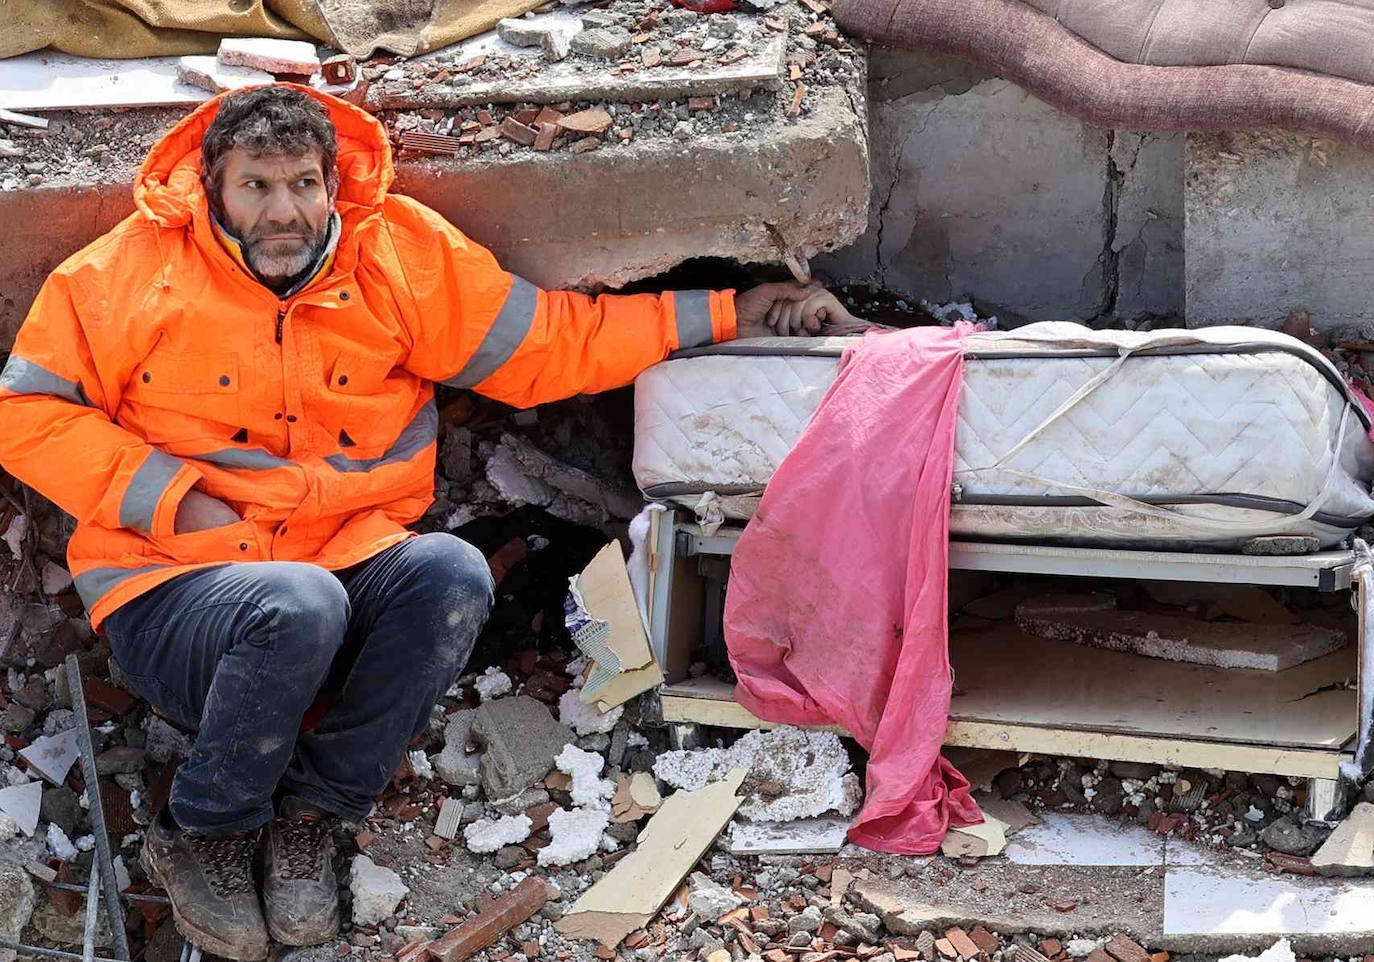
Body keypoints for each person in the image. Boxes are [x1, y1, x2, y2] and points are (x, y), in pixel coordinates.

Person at [0, 84, 860, 959]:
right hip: (176, 593)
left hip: (338, 574)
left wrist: (727, 313)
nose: (284, 209)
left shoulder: (397, 256)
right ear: (213, 186)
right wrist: (175, 497)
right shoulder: (125, 272)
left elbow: (551, 345)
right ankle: (208, 833)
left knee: (450, 573)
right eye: (256, 186)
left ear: (334, 183)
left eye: (303, 182)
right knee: (299, 604)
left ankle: (312, 816)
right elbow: (24, 415)